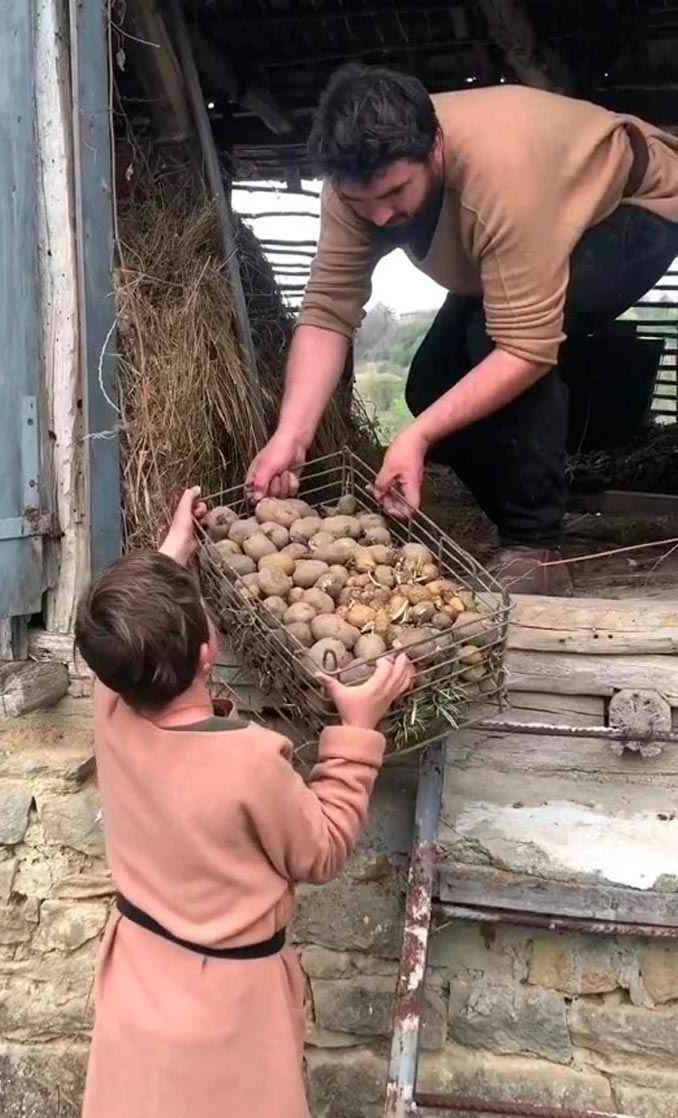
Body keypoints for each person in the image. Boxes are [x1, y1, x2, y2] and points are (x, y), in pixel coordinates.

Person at [246, 65, 678, 594]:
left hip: (635, 209)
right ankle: (534, 509)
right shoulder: (352, 192)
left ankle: (534, 547)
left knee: (495, 347)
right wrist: (292, 434)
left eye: (396, 193)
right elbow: (327, 312)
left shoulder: (503, 174)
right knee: (431, 385)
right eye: (364, 203)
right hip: (518, 240)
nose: (382, 218)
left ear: (435, 149)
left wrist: (417, 434)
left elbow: (525, 348)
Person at [75, 487, 414, 1118]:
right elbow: (323, 848)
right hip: (231, 1009)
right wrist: (358, 731)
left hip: (139, 987)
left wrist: (172, 555)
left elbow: (125, 650)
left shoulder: (112, 710)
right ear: (210, 652)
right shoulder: (250, 760)